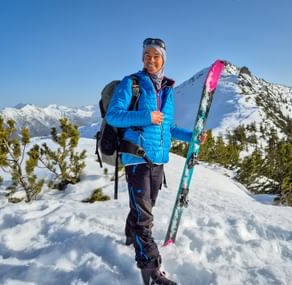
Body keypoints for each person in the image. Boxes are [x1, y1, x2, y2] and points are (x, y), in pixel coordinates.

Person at [106, 38, 207, 285]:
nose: (151, 60)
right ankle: (152, 270)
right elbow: (113, 115)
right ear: (142, 58)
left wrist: (192, 137)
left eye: (156, 56)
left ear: (164, 59)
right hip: (137, 158)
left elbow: (167, 127)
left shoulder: (167, 89)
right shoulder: (132, 83)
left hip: (158, 160)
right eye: (147, 55)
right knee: (145, 219)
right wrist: (147, 116)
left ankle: (131, 237)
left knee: (143, 210)